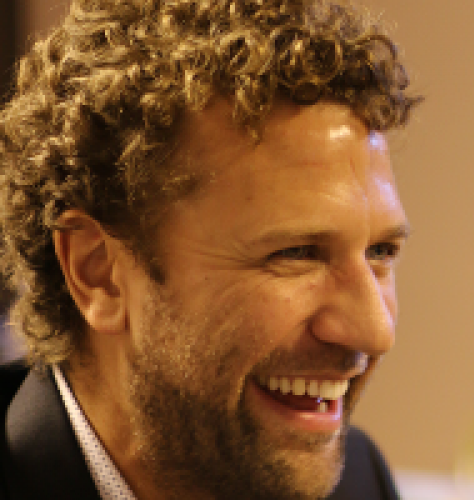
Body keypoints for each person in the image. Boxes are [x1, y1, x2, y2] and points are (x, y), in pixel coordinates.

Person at [0, 0, 421, 498]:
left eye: (380, 252)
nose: (374, 331)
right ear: (99, 273)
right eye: (297, 253)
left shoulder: (360, 481)